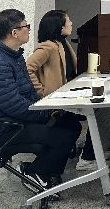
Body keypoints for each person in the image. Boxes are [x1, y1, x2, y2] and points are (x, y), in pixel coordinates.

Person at [0, 9, 80, 194]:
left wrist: (47, 110)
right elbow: (14, 106)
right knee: (62, 136)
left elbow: (28, 92)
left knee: (71, 124)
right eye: (26, 26)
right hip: (3, 129)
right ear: (14, 33)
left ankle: (48, 171)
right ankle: (34, 172)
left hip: (16, 120)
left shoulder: (13, 56)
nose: (29, 29)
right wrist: (44, 115)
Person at [26, 10, 97, 171]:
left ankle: (91, 154)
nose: (71, 23)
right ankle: (88, 157)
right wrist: (41, 91)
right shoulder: (48, 47)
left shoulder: (63, 44)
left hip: (68, 95)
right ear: (59, 26)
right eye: (68, 21)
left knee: (98, 110)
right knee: (98, 113)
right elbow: (28, 68)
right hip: (57, 101)